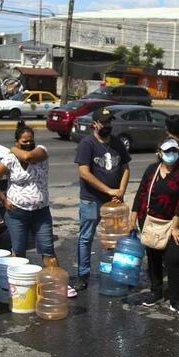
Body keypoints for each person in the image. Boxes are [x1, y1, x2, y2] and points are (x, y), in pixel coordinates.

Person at [131, 138, 179, 316]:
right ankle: (156, 292)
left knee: (173, 259)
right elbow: (141, 193)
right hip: (149, 220)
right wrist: (133, 219)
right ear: (160, 152)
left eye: (174, 151)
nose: (171, 154)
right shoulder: (152, 170)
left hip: (171, 223)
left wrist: (175, 226)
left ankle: (176, 299)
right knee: (153, 257)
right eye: (167, 151)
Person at [74, 108, 131, 291]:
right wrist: (108, 190)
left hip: (114, 202)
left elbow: (125, 168)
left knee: (114, 239)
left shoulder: (117, 143)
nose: (107, 126)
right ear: (95, 124)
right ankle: (83, 275)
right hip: (91, 199)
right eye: (104, 122)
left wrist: (120, 191)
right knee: (86, 238)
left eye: (109, 122)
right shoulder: (87, 143)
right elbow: (84, 172)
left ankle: (114, 273)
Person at [0, 122, 56, 261]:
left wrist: (13, 148)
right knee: (18, 252)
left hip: (40, 211)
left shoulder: (41, 151)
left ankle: (54, 282)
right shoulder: (10, 159)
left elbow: (27, 157)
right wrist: (4, 200)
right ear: (17, 142)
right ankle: (18, 282)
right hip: (17, 212)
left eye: (31, 140)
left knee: (48, 250)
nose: (29, 143)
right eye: (25, 141)